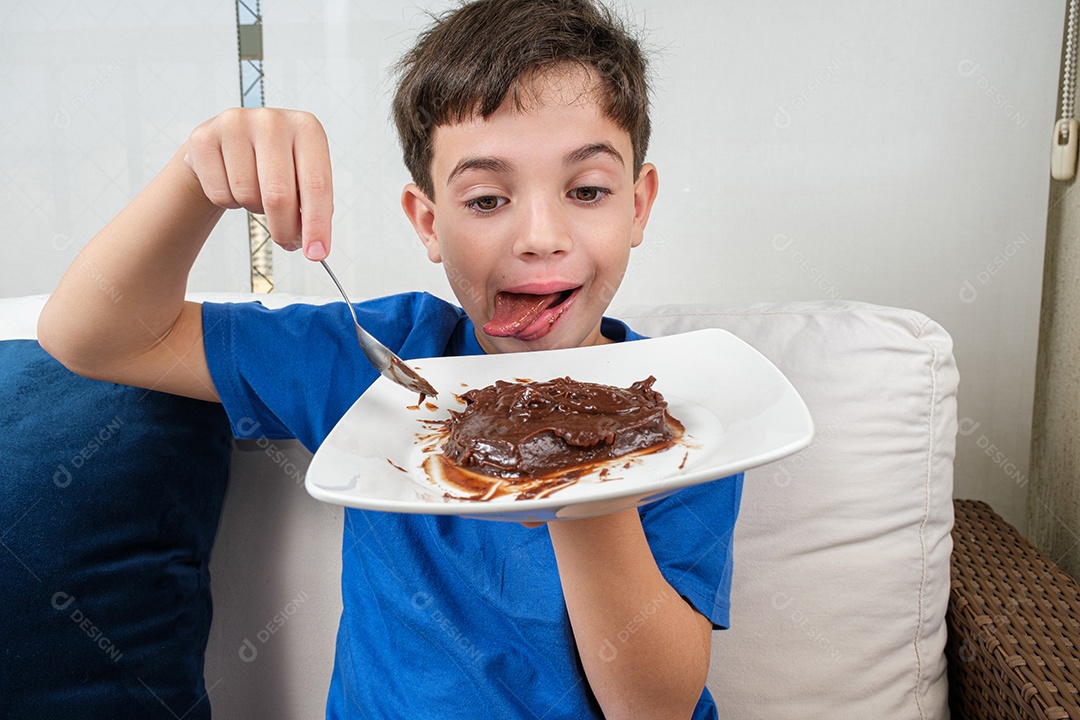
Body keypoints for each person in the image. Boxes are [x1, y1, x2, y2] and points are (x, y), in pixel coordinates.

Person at [38, 0, 743, 717]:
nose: (540, 235)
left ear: (638, 206)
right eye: (488, 198)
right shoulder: (380, 361)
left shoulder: (680, 414)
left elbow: (653, 706)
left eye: (587, 190)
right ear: (428, 223)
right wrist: (198, 180)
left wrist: (580, 475)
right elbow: (93, 336)